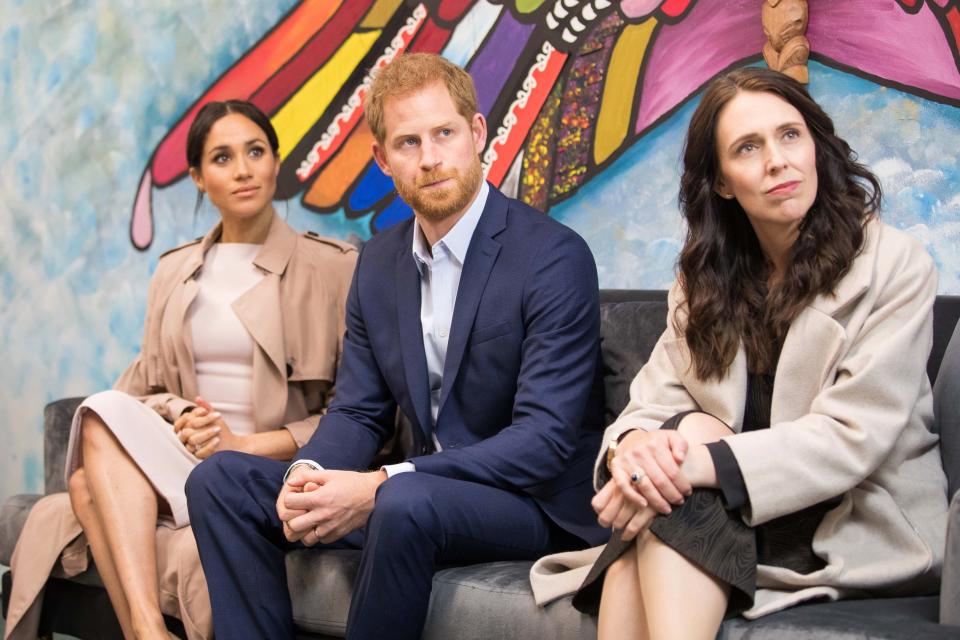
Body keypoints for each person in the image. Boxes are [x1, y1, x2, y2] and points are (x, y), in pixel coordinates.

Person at [185, 53, 607, 640]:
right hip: (413, 498)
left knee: (403, 501)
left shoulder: (552, 257)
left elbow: (543, 442)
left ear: (477, 134)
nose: (431, 158)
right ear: (383, 159)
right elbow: (359, 411)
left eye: (445, 133)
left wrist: (383, 482)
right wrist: (309, 474)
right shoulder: (377, 263)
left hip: (530, 505)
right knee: (220, 481)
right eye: (408, 142)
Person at [530, 66, 948, 639]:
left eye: (790, 135)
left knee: (673, 485)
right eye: (747, 148)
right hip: (730, 515)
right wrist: (633, 453)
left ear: (816, 147)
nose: (777, 161)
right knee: (672, 466)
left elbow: (853, 437)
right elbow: (651, 403)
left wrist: (688, 466)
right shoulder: (703, 280)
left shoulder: (895, 265)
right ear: (722, 181)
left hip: (848, 519)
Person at [6, 99, 357, 640]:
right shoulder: (173, 271)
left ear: (276, 161)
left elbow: (357, 416)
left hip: (267, 467)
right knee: (100, 415)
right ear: (197, 177)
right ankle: (148, 630)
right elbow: (142, 390)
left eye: (255, 152)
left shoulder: (336, 268)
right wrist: (181, 414)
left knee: (83, 484)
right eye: (222, 157)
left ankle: (143, 633)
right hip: (182, 452)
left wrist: (240, 442)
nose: (242, 170)